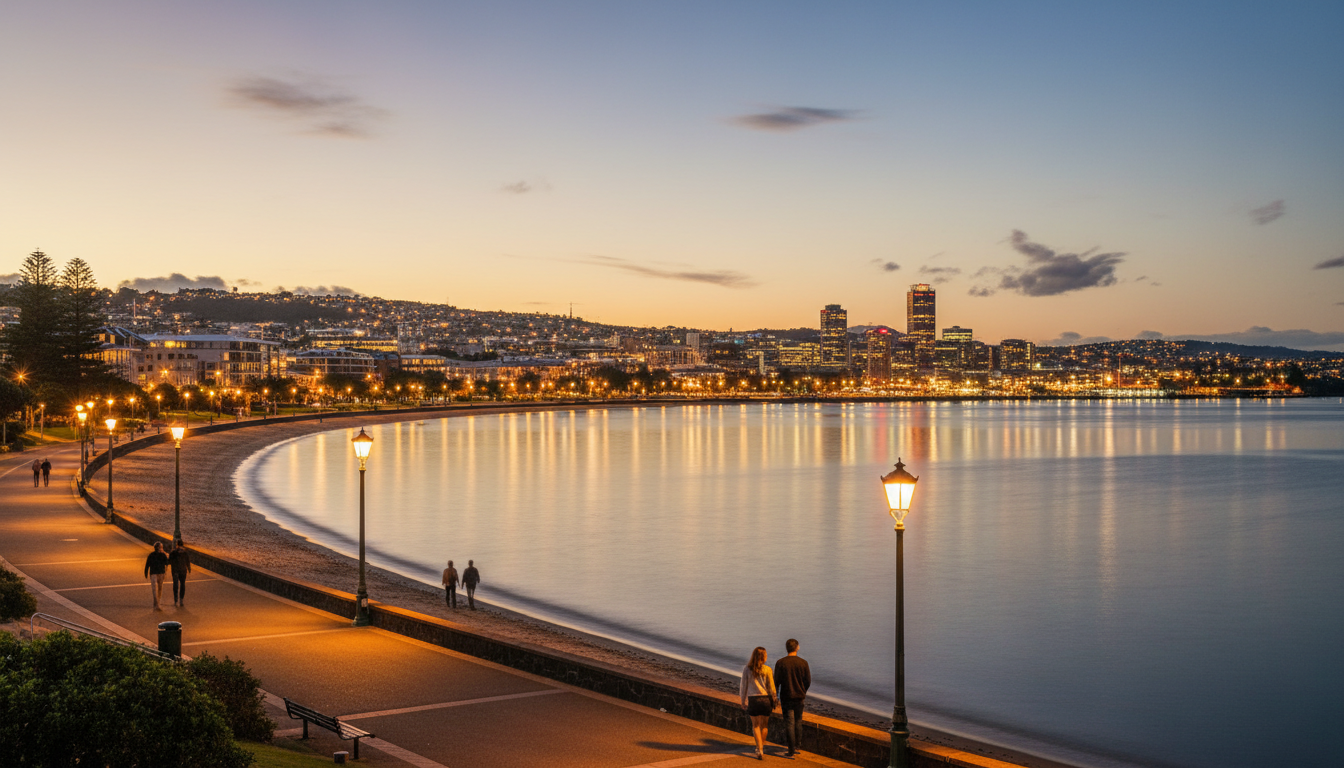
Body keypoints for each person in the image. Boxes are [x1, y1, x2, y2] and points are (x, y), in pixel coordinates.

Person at [774, 638, 812, 758]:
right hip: (799, 696)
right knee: (798, 720)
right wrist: (803, 691)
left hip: (786, 696)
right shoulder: (803, 663)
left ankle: (790, 750)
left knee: (789, 722)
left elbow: (776, 681)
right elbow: (808, 681)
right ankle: (797, 746)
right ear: (797, 647)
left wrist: (776, 695)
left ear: (786, 648)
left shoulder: (781, 663)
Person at [739, 646, 777, 760]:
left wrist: (742, 700)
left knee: (755, 726)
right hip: (766, 700)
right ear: (764, 657)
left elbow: (743, 686)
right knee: (764, 726)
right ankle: (761, 747)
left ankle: (759, 748)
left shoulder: (747, 669)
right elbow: (772, 688)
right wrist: (774, 699)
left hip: (753, 700)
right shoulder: (768, 669)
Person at [144, 542, 169, 610]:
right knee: (160, 588)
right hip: (161, 573)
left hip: (153, 573)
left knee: (154, 589)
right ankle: (158, 603)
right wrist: (165, 554)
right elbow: (167, 563)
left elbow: (147, 565)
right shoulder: (163, 555)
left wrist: (146, 573)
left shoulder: (151, 555)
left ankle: (156, 603)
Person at [168, 539, 192, 607]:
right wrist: (189, 569)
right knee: (182, 584)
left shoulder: (173, 552)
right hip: (183, 570)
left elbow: (169, 561)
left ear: (177, 544)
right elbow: (188, 561)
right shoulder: (185, 552)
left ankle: (176, 600)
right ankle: (181, 599)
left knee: (175, 585)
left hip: (175, 570)